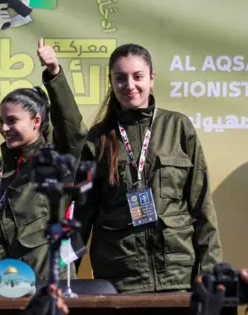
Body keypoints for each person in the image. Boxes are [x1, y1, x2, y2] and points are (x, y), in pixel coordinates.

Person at [37, 39, 222, 293]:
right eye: (120, 78)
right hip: (120, 280)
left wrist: (209, 275)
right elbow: (81, 217)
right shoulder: (99, 138)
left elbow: (202, 207)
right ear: (111, 82)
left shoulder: (178, 127)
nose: (130, 85)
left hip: (178, 278)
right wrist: (60, 282)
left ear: (151, 78)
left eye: (138, 76)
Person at [0, 85, 77, 295]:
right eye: (1, 122)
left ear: (36, 121)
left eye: (12, 121)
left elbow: (74, 131)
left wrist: (54, 75)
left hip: (43, 288)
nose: (4, 128)